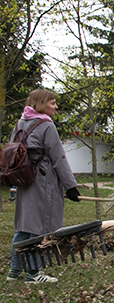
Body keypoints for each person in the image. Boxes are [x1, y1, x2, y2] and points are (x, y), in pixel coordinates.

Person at [6, 89, 80, 284]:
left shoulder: (20, 123)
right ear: (41, 103)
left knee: (24, 227)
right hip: (42, 182)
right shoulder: (46, 125)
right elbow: (59, 158)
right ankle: (33, 273)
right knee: (39, 228)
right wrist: (70, 186)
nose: (56, 107)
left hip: (24, 181)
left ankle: (14, 271)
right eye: (52, 103)